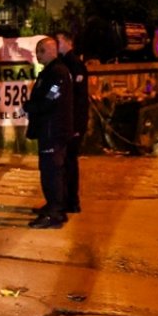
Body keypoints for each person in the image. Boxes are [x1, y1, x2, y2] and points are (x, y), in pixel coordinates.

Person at [25, 37, 75, 229]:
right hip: (48, 129)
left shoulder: (58, 72)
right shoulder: (49, 71)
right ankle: (54, 207)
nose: (38, 55)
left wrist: (31, 106)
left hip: (53, 131)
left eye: (42, 50)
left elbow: (51, 99)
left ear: (52, 51)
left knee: (51, 172)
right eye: (37, 51)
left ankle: (54, 213)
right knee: (52, 170)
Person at [55, 31, 88, 214]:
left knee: (69, 162)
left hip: (73, 123)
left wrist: (76, 126)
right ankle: (67, 200)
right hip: (68, 122)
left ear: (69, 42)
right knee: (65, 162)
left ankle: (71, 201)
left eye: (59, 42)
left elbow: (79, 99)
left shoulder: (74, 65)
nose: (57, 45)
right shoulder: (64, 64)